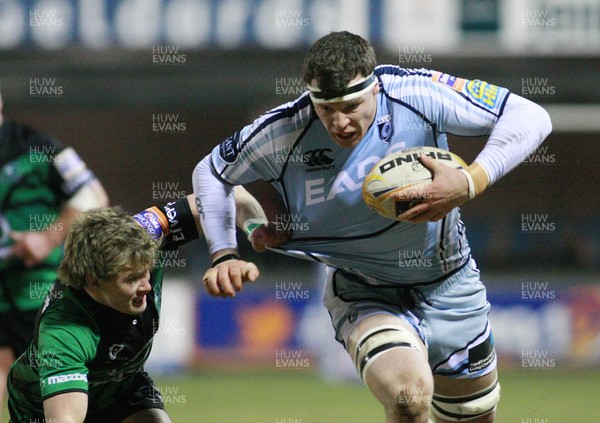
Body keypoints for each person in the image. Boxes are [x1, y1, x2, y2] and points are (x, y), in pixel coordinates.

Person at [193, 31, 552, 422]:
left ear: (374, 85)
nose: (339, 121)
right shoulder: (285, 130)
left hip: (450, 283)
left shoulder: (416, 93)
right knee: (408, 399)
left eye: (350, 105)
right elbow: (211, 171)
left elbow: (531, 116)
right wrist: (224, 253)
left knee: (473, 414)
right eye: (326, 109)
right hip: (363, 289)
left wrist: (470, 180)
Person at [6, 188, 263, 423]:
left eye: (147, 272)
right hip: (40, 408)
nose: (147, 286)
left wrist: (237, 246)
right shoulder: (64, 331)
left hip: (122, 385)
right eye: (131, 279)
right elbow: (65, 419)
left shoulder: (145, 232)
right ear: (93, 280)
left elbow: (231, 195)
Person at [0, 89, 109, 419]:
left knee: (57, 398)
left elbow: (94, 195)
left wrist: (47, 238)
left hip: (37, 295)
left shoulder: (38, 147)